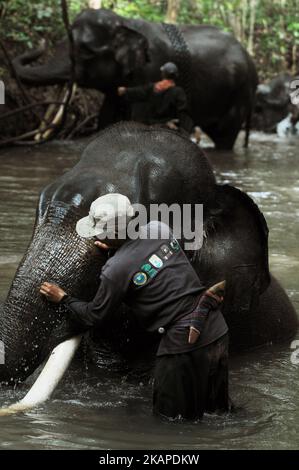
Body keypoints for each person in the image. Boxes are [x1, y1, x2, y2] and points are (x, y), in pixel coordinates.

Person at [40, 193, 230, 421]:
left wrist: (63, 298)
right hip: (216, 328)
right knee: (218, 414)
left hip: (183, 343)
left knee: (170, 422)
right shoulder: (159, 228)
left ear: (107, 234)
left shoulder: (115, 270)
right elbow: (151, 262)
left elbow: (94, 316)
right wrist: (117, 248)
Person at [117, 62, 195, 135]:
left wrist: (125, 90)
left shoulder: (153, 88)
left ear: (163, 74)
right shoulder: (178, 91)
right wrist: (184, 130)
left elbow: (139, 91)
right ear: (176, 76)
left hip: (152, 126)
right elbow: (183, 112)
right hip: (169, 128)